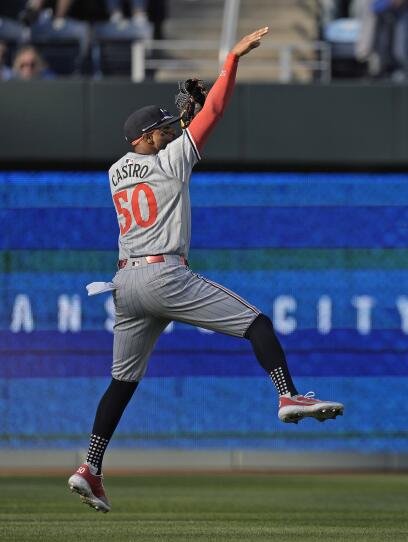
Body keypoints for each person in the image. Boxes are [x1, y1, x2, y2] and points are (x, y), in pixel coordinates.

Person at [67, 27, 345, 514]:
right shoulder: (171, 160)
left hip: (124, 283)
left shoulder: (115, 171)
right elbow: (212, 114)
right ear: (147, 137)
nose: (171, 131)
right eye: (163, 129)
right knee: (257, 322)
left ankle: (90, 466)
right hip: (163, 274)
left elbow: (170, 137)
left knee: (122, 381)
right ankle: (288, 395)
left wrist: (180, 118)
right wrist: (230, 63)